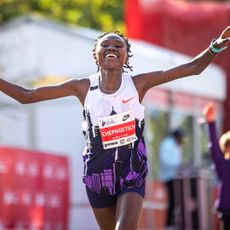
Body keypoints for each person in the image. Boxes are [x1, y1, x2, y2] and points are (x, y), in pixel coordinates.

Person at [0, 26, 229, 230]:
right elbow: (26, 96)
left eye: (118, 45)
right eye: (105, 45)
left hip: (132, 172)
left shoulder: (138, 84)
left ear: (126, 55)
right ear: (95, 55)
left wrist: (215, 48)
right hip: (97, 176)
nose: (111, 48)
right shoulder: (82, 87)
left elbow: (192, 68)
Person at [202, 102, 230, 230]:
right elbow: (214, 147)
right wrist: (211, 122)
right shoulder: (223, 165)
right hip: (227, 213)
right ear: (227, 147)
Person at [158, 128, 186, 229]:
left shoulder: (177, 146)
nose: (182, 140)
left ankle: (175, 224)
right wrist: (179, 165)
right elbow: (166, 161)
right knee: (173, 201)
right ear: (177, 136)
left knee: (178, 201)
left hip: (177, 178)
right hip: (169, 178)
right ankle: (169, 225)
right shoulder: (167, 144)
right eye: (181, 137)